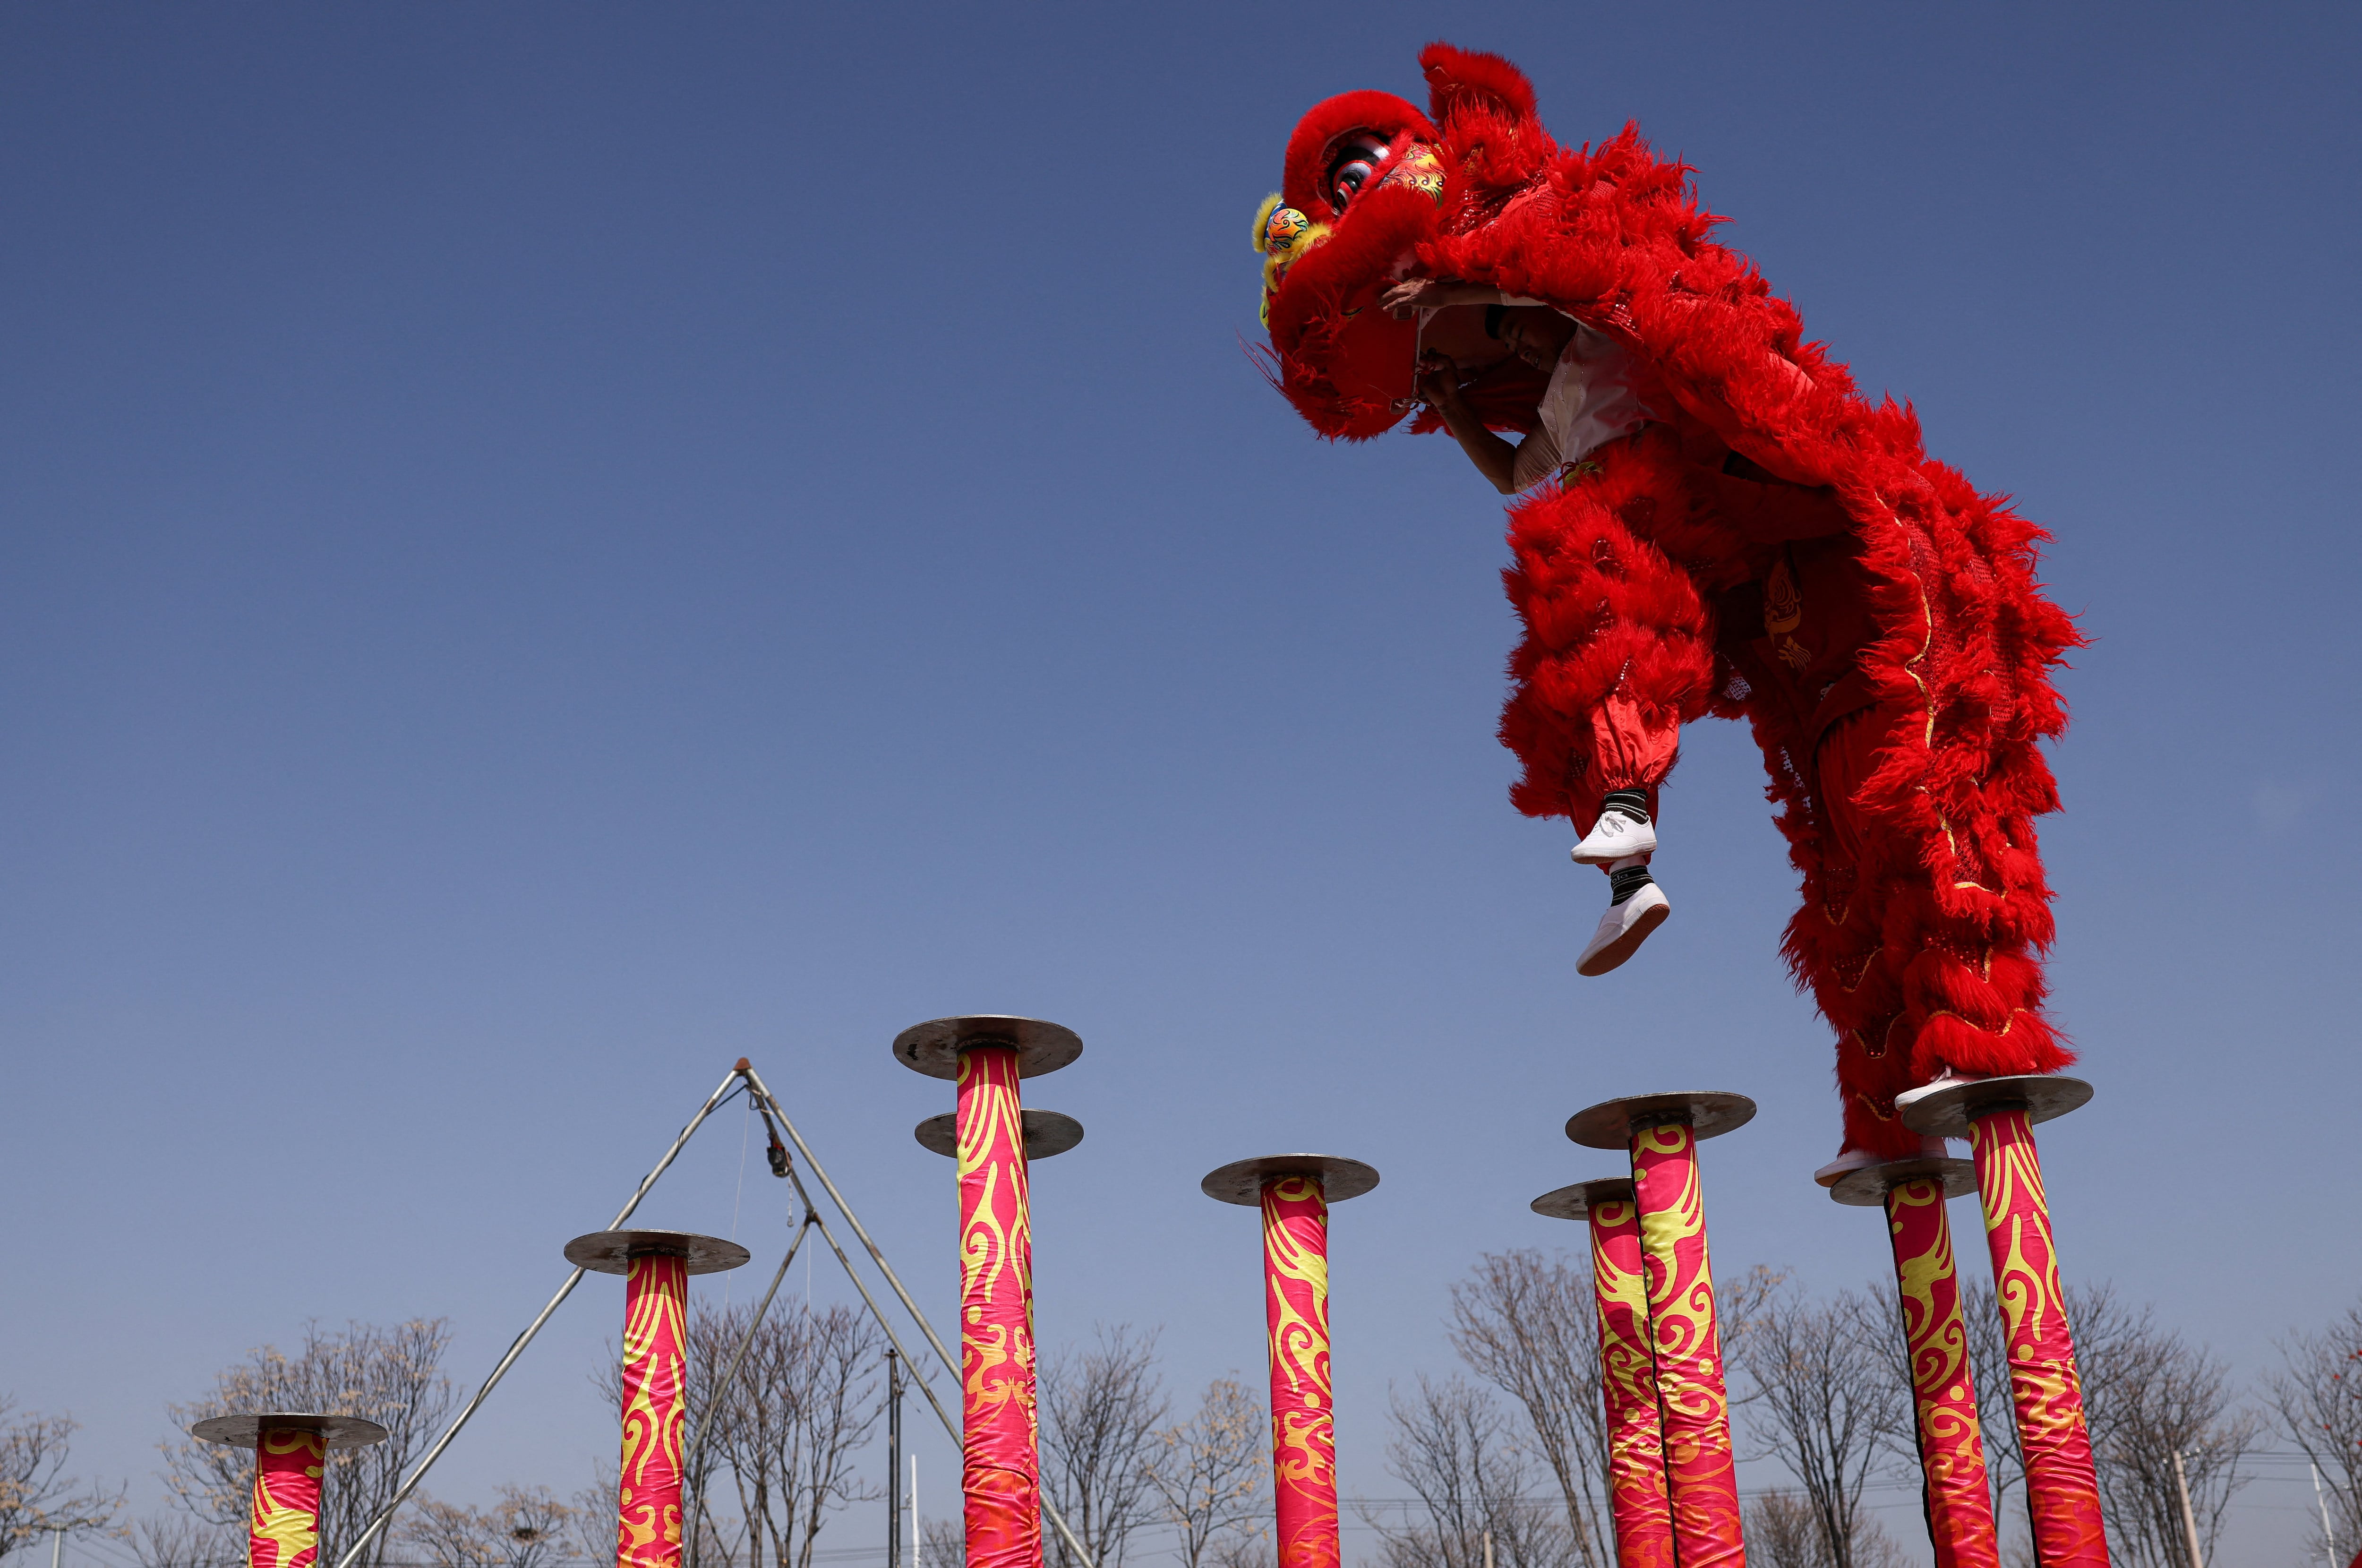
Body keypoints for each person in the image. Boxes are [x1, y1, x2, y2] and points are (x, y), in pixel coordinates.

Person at [1382, 280, 1669, 976]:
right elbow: (1513, 473)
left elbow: (1548, 273)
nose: (1521, 351)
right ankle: (1629, 885)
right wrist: (1452, 407)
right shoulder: (1555, 404)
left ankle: (1629, 802)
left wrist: (1444, 289)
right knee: (1563, 706)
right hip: (1589, 532)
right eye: (1508, 346)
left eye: (1519, 334)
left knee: (1625, 656)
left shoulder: (1603, 332)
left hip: (1649, 513)